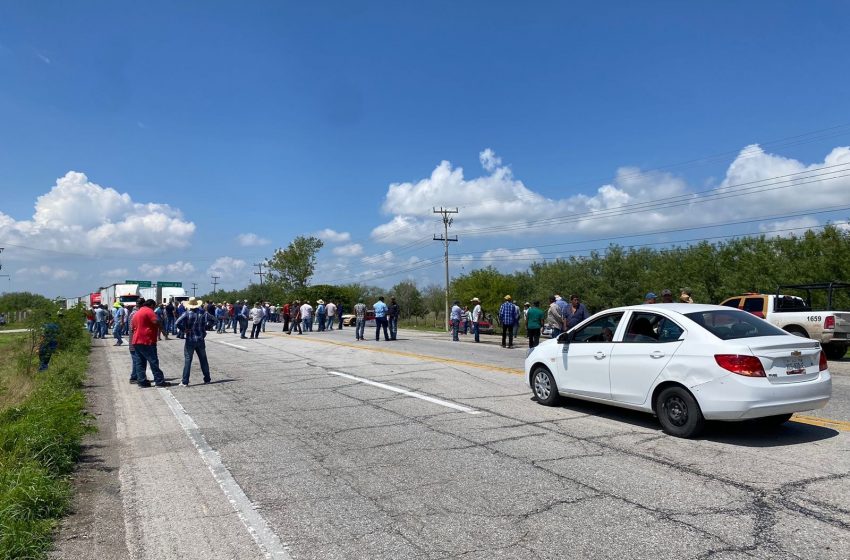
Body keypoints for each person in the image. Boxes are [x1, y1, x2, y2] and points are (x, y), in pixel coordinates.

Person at [131, 299, 173, 387]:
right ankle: (159, 381)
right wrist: (163, 331)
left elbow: (133, 327)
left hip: (136, 341)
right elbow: (156, 321)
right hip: (146, 340)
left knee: (140, 362)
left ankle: (142, 381)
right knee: (153, 361)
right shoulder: (149, 311)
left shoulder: (137, 313)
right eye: (154, 307)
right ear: (152, 305)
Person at [174, 297, 214, 386]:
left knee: (188, 360)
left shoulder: (187, 314)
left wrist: (184, 330)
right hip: (200, 339)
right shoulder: (204, 313)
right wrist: (206, 327)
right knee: (203, 360)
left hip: (190, 339)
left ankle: (185, 381)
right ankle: (207, 378)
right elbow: (214, 320)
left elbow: (177, 323)